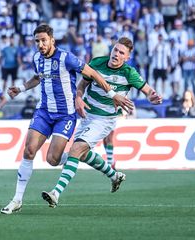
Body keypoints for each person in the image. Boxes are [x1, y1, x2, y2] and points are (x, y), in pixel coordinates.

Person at [0, 24, 133, 215]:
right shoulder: (37, 58)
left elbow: (93, 73)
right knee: (29, 150)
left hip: (65, 115)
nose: (40, 44)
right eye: (37, 41)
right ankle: (17, 199)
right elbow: (38, 77)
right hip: (44, 111)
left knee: (53, 159)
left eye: (44, 40)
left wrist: (112, 94)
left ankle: (101, 168)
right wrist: (21, 88)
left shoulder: (66, 57)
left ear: (52, 40)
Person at [41, 37, 163, 208]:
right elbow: (82, 84)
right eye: (115, 50)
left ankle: (56, 193)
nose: (116, 54)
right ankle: (114, 175)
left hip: (105, 120)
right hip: (86, 116)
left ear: (127, 57)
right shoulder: (97, 62)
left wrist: (153, 97)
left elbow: (149, 91)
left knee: (76, 149)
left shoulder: (129, 73)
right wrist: (78, 98)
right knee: (68, 156)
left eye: (121, 53)